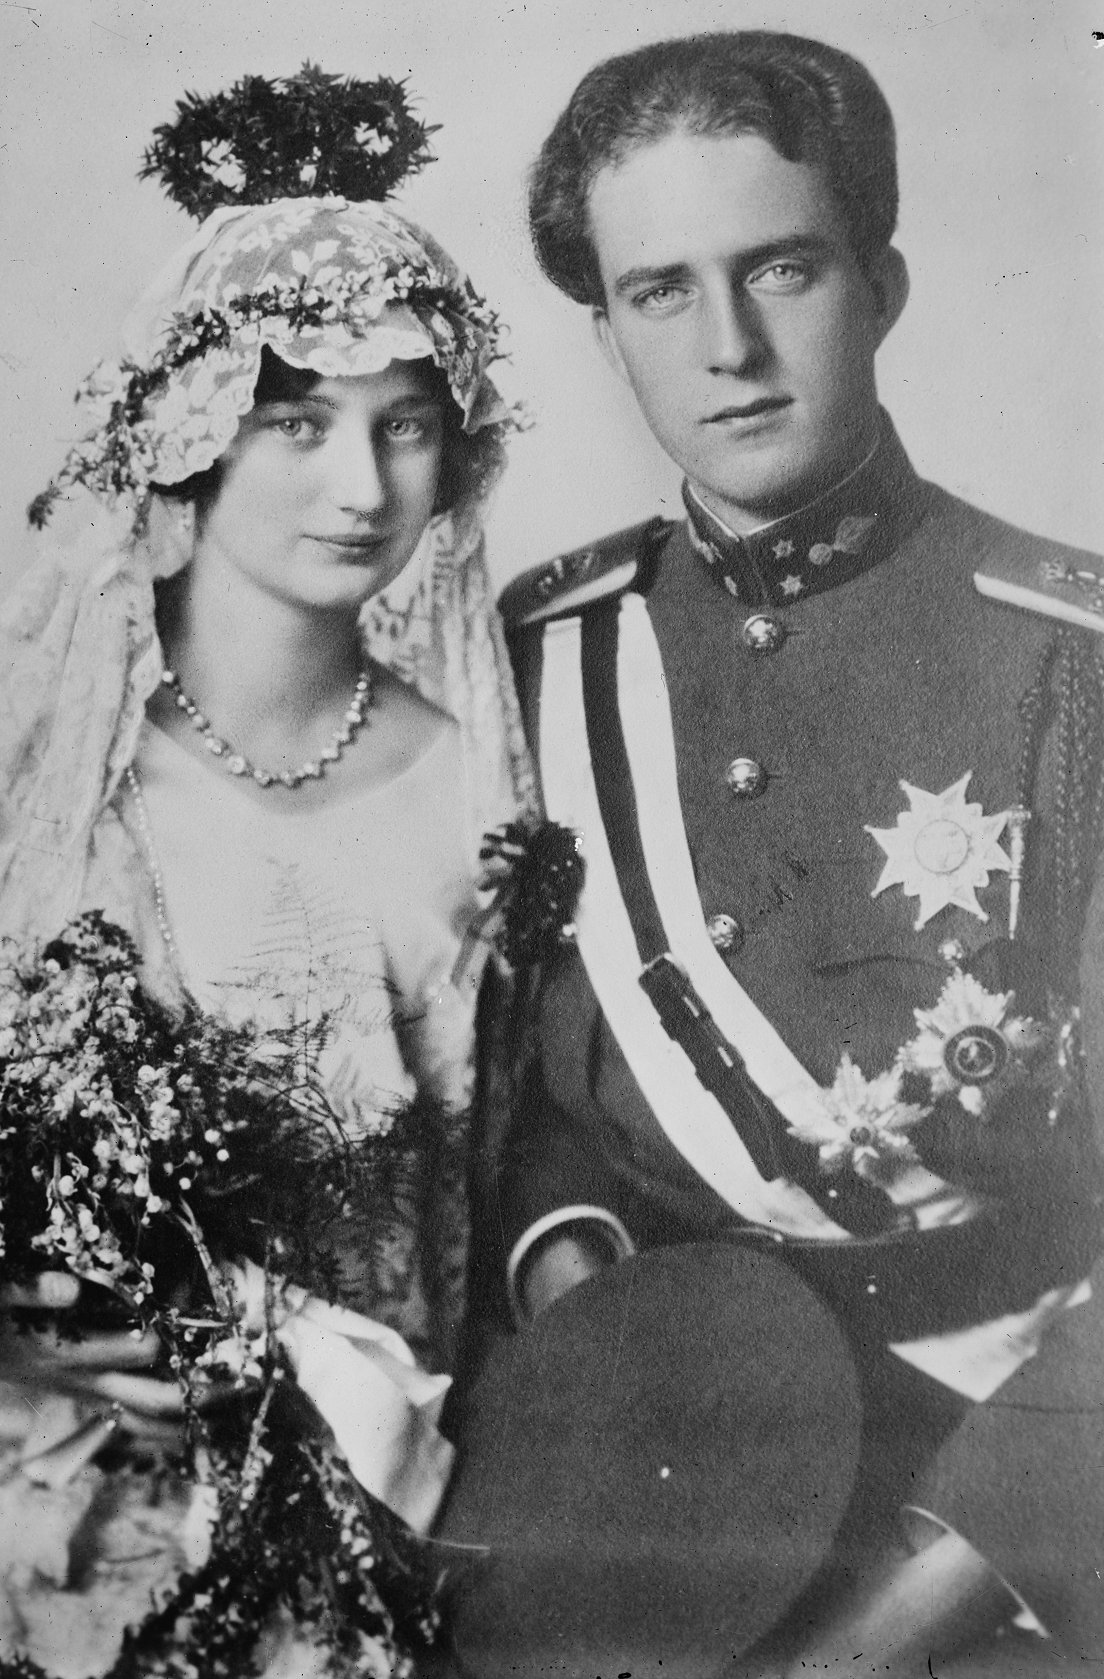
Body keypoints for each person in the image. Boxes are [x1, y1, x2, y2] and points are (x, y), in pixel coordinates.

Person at [459, 29, 1104, 1677]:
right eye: (662, 292)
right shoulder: (533, 662)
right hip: (660, 1488)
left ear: (882, 281)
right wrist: (590, 1310)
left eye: (783, 268)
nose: (730, 347)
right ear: (603, 331)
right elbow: (519, 1103)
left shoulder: (1072, 664)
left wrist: (905, 1616)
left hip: (1008, 1511)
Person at [0, 69, 533, 1679]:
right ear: (189, 432)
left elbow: (474, 1206)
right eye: (298, 421)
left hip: (373, 1511)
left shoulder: (480, 772)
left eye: (407, 427)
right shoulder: (1, 742)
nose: (361, 488)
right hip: (7, 1493)